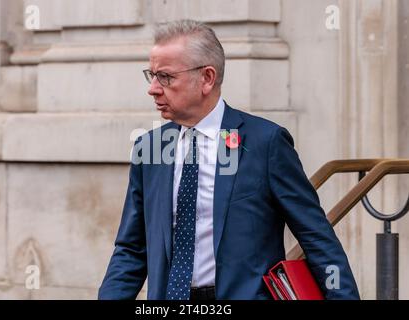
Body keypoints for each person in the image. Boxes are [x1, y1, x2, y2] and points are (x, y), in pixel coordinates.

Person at [98, 20, 360, 300]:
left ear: (207, 78)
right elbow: (131, 249)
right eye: (151, 75)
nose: (153, 88)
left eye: (165, 77)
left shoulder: (265, 143)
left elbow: (316, 237)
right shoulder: (149, 147)